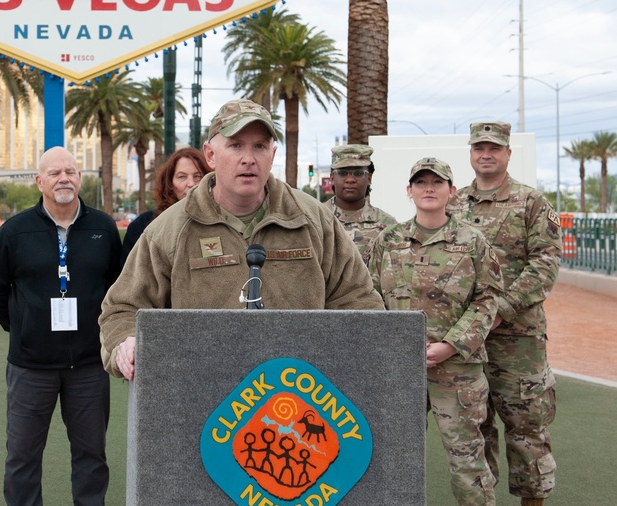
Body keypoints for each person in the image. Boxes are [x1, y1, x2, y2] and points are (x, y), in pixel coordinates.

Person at [99, 99, 384, 381]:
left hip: (301, 395)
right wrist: (126, 342)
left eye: (259, 146)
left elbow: (358, 300)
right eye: (235, 145)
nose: (248, 158)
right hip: (202, 397)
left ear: (272, 155)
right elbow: (123, 308)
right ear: (210, 155)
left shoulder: (314, 221)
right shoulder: (169, 230)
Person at [0, 147, 124, 506]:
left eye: (71, 171)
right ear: (39, 181)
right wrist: (23, 328)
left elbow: (118, 288)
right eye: (54, 172)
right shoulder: (15, 231)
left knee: (91, 452)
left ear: (80, 179)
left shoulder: (102, 228)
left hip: (89, 366)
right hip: (30, 366)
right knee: (23, 454)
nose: (64, 178)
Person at [368, 157, 506, 506]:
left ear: (451, 192)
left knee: (466, 457)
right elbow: (369, 296)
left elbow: (486, 301)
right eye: (420, 182)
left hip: (457, 369)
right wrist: (394, 344)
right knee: (389, 452)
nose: (429, 188)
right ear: (409, 191)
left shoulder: (473, 242)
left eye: (437, 182)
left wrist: (450, 345)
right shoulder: (388, 241)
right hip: (398, 368)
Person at [441, 122, 561, 506]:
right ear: (471, 153)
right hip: (468, 338)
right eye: (479, 147)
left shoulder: (531, 202)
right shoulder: (453, 204)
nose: (486, 154)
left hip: (517, 340)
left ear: (508, 153)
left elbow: (545, 265)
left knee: (525, 425)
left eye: (494, 148)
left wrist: (501, 309)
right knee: (474, 425)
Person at [121, 147, 209, 263]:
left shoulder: (221, 219)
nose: (191, 184)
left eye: (198, 176)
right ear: (169, 183)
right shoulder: (144, 225)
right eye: (182, 177)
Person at [324, 143, 397, 265]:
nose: (350, 179)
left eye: (358, 173)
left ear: (369, 178)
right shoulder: (317, 218)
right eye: (343, 173)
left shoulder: (387, 225)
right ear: (332, 178)